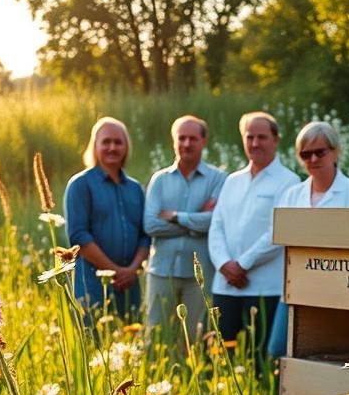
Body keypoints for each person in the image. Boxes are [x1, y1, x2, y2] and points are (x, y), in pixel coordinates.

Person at [267, 121, 349, 358]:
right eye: (305, 154)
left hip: (337, 288)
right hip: (295, 286)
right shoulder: (291, 195)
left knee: (326, 354)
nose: (313, 159)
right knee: (278, 349)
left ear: (335, 151)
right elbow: (279, 237)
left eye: (320, 152)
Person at [208, 112, 300, 350]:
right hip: (225, 284)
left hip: (263, 287)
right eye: (250, 137)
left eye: (262, 137)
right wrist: (224, 264)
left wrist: (242, 265)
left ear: (276, 140)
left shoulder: (288, 182)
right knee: (223, 356)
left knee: (258, 360)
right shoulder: (232, 180)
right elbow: (216, 225)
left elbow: (277, 232)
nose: (255, 143)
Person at [143, 115, 227, 335]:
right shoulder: (159, 180)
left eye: (193, 138)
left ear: (203, 141)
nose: (186, 144)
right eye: (181, 138)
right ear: (174, 141)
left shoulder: (219, 179)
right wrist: (195, 221)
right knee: (157, 335)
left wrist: (175, 216)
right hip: (161, 270)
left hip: (200, 275)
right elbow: (151, 225)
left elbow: (215, 222)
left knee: (194, 337)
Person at [63, 117, 150, 315]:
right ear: (95, 146)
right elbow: (79, 237)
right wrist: (114, 272)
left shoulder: (136, 189)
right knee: (95, 341)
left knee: (131, 342)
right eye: (106, 142)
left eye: (118, 142)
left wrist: (132, 271)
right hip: (92, 284)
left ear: (126, 147)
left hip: (130, 285)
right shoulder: (80, 185)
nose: (112, 147)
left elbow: (146, 236)